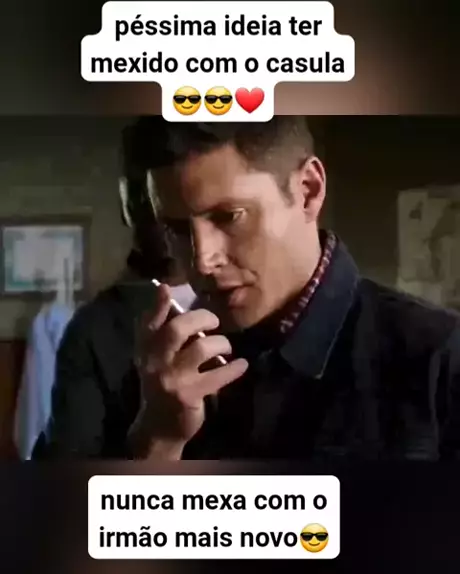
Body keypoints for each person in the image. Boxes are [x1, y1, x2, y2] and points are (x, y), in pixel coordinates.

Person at [126, 116, 460, 461]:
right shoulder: (162, 366)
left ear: (308, 191)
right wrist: (158, 441)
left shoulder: (441, 358)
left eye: (229, 216)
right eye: (177, 229)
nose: (202, 261)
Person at [31, 121, 195, 458]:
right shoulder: (92, 329)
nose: (164, 215)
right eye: (149, 195)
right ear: (128, 201)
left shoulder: (251, 303)